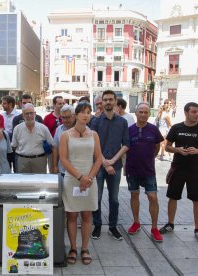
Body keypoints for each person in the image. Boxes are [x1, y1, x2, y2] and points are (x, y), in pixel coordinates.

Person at [160, 102, 198, 243]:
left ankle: (197, 229)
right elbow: (167, 147)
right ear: (186, 112)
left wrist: (197, 151)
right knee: (173, 197)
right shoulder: (177, 128)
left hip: (195, 171)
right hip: (177, 169)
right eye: (194, 112)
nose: (197, 114)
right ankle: (170, 224)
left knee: (197, 200)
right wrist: (178, 150)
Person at [59, 102, 103, 265]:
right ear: (75, 115)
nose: (86, 115)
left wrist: (89, 178)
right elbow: (63, 159)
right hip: (72, 179)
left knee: (87, 215)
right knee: (71, 215)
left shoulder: (94, 135)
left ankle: (84, 248)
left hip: (90, 180)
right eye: (83, 112)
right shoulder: (66, 135)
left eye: (89, 112)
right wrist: (80, 177)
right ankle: (73, 248)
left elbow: (98, 158)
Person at [90, 90, 130, 240]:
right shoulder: (95, 121)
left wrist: (112, 161)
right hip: (98, 166)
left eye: (110, 100)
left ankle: (113, 227)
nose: (107, 102)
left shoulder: (122, 122)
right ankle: (97, 226)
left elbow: (126, 144)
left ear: (115, 102)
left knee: (114, 199)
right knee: (97, 197)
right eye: (105, 100)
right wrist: (104, 162)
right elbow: (93, 144)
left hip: (116, 165)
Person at [126, 103, 164, 242]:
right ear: (136, 113)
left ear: (149, 114)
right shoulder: (129, 130)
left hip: (149, 170)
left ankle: (154, 228)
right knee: (134, 195)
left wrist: (149, 159)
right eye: (140, 112)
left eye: (146, 112)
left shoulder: (154, 130)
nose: (143, 114)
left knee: (152, 197)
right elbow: (125, 148)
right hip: (132, 169)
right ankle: (136, 222)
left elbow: (157, 147)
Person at [12, 103, 53, 173]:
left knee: (40, 182)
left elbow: (51, 144)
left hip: (39, 160)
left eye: (31, 113)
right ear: (23, 115)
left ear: (35, 114)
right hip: (22, 161)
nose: (29, 116)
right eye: (26, 113)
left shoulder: (43, 128)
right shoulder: (17, 129)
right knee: (23, 183)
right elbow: (14, 146)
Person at [51, 104, 76, 175]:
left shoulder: (81, 129)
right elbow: (55, 148)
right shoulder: (59, 129)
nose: (65, 120)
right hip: (62, 170)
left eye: (68, 117)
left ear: (74, 116)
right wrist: (55, 166)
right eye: (63, 117)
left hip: (77, 170)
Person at [1, 95, 20, 171]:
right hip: (4, 144)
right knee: (6, 167)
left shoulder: (18, 116)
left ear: (10, 104)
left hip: (16, 145)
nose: (2, 105)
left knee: (17, 168)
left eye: (4, 103)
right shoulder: (1, 115)